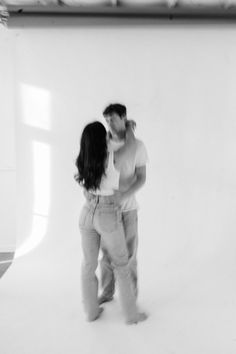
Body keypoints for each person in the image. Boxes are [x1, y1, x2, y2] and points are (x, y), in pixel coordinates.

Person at [75, 121, 147, 324]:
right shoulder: (108, 150)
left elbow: (84, 189)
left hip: (86, 213)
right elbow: (131, 146)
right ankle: (132, 316)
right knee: (122, 264)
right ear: (102, 138)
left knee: (88, 265)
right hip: (107, 214)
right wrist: (130, 129)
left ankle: (91, 312)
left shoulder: (84, 158)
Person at [98, 103, 148, 305]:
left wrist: (124, 195)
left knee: (129, 256)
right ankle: (107, 292)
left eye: (113, 118)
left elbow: (142, 178)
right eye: (107, 119)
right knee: (107, 255)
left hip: (128, 211)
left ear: (124, 117)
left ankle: (131, 297)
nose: (109, 123)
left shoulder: (138, 146)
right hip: (105, 210)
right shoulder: (102, 145)